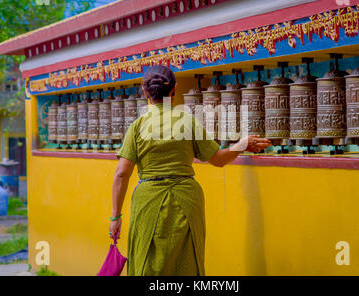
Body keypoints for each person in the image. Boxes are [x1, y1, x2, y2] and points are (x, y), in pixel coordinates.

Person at [109, 65, 271, 276]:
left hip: (147, 201)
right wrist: (242, 144)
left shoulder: (138, 126)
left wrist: (115, 217)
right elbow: (218, 160)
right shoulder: (188, 121)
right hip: (186, 200)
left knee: (146, 262)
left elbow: (122, 173)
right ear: (174, 90)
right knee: (187, 261)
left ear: (144, 91)